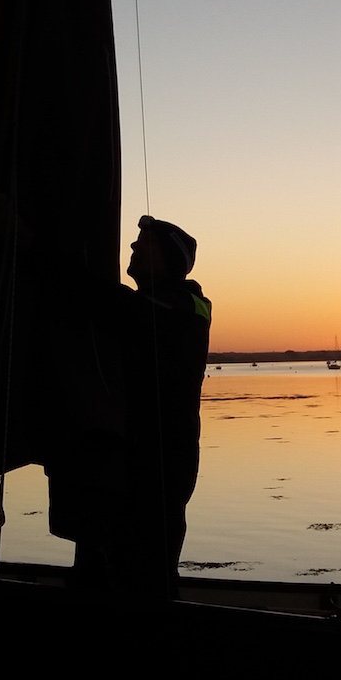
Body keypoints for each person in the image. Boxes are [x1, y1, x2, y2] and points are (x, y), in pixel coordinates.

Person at [110, 215, 211, 598]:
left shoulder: (180, 306)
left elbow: (103, 299)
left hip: (163, 456)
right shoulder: (161, 304)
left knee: (151, 565)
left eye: (145, 243)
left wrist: (29, 245)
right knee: (127, 558)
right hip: (142, 452)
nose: (133, 248)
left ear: (168, 259)